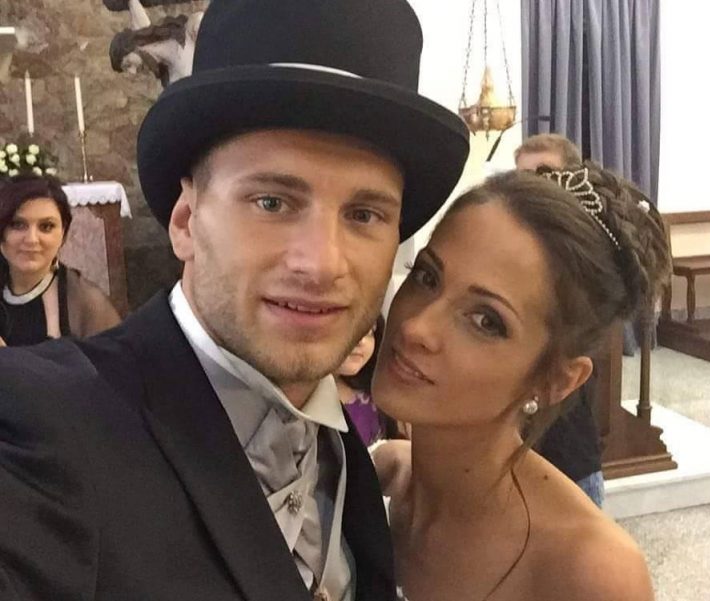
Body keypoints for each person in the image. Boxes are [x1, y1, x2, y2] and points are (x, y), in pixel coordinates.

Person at [0, 1, 469, 600]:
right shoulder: (43, 424)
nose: (322, 263)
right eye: (272, 202)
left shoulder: (353, 462)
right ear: (186, 221)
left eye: (364, 214)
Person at [372, 165, 669, 601]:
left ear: (556, 380)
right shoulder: (375, 477)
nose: (416, 327)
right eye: (427, 277)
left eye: (486, 321)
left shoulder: (591, 569)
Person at [514, 133, 605, 505]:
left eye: (544, 176)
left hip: (567, 455)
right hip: (512, 450)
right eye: (522, 178)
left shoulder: (585, 252)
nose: (532, 189)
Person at [0, 174, 120, 347]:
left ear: (63, 232)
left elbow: (112, 362)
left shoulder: (87, 305)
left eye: (46, 226)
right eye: (18, 225)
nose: (32, 239)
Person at [335, 315, 397, 447]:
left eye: (369, 331)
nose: (361, 341)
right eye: (349, 330)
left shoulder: (376, 397)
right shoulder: (299, 399)